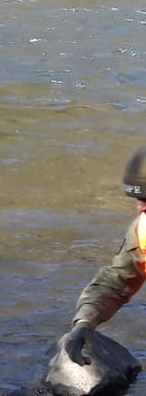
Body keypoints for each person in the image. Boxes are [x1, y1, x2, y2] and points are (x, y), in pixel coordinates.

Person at [66, 144, 146, 365]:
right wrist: (84, 322)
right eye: (140, 200)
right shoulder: (143, 231)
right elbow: (115, 281)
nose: (141, 209)